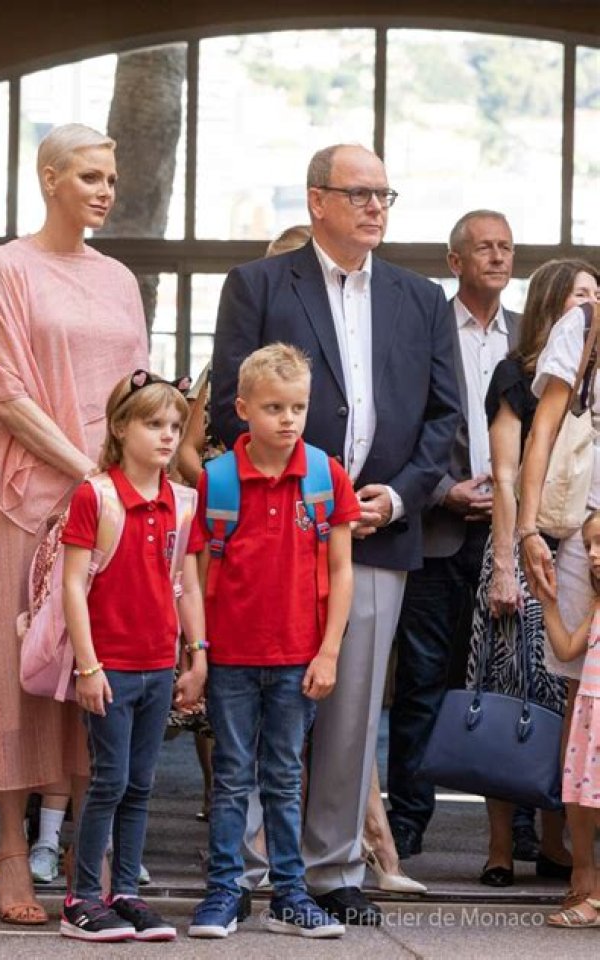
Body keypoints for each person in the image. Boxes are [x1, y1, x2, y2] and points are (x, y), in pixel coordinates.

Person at [210, 143, 459, 924]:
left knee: (351, 711)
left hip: (379, 532)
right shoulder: (257, 284)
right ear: (317, 200)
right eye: (360, 193)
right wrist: (297, 483)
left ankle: (331, 869)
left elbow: (446, 419)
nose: (377, 206)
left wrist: (401, 496)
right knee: (259, 707)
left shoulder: (422, 298)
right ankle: (246, 871)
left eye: (385, 193)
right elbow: (226, 407)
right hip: (271, 536)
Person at [0, 123, 148, 925]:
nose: (105, 191)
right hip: (32, 496)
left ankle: (89, 853)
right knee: (17, 673)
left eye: (110, 178)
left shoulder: (120, 279)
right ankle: (10, 848)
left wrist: (123, 482)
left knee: (95, 673)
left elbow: (138, 392)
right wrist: (88, 473)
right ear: (49, 178)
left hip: (109, 506)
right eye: (89, 176)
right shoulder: (6, 267)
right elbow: (5, 392)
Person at [189, 344, 359, 939]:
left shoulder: (324, 475)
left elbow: (342, 569)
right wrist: (198, 653)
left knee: (285, 778)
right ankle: (225, 890)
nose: (288, 419)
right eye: (273, 408)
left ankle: (290, 894)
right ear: (242, 409)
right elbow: (197, 576)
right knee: (232, 777)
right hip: (231, 659)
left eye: (298, 407)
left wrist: (329, 651)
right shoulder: (216, 481)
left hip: (298, 657)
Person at [387, 210, 520, 859]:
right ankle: (408, 819)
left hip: (509, 535)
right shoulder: (421, 330)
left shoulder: (527, 335)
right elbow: (399, 425)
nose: (497, 257)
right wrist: (443, 490)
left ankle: (521, 827)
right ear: (455, 261)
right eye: (484, 247)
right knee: (422, 680)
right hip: (437, 530)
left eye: (506, 247)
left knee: (515, 682)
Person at [60, 371, 206, 942]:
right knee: (109, 781)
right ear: (120, 428)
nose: (168, 435)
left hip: (156, 665)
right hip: (110, 666)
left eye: (175, 425)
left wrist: (196, 656)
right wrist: (88, 665)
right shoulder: (95, 495)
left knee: (141, 784)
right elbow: (74, 586)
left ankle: (125, 892)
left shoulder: (182, 502)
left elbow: (185, 585)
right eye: (153, 424)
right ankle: (81, 898)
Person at [466, 259, 597, 886]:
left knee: (566, 695)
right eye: (580, 294)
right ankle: (520, 850)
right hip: (545, 537)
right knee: (524, 691)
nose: (589, 301)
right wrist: (515, 548)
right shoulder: (541, 359)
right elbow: (518, 461)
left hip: (576, 536)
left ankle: (558, 846)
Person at [519, 276, 600, 916]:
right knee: (585, 704)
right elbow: (543, 430)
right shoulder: (586, 325)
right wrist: (526, 530)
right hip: (588, 528)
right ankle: (586, 881)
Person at [539, 508, 600, 927]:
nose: (593, 554)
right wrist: (548, 601)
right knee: (582, 800)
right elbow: (565, 649)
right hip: (589, 716)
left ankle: (594, 900)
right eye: (589, 545)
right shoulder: (597, 605)